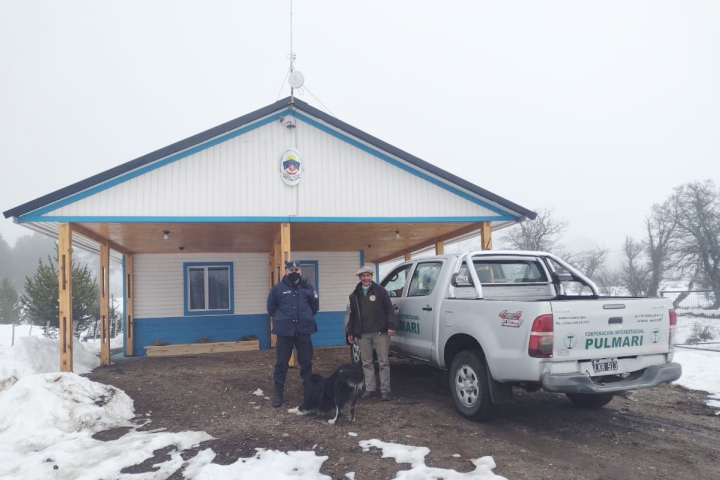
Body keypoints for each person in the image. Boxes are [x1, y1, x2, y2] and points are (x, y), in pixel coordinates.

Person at [267, 260, 320, 408]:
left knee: (306, 363)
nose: (294, 272)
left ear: (300, 271)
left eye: (296, 270)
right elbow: (271, 308)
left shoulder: (308, 288)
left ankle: (309, 393)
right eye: (291, 270)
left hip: (303, 330)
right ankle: (278, 393)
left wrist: (305, 317)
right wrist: (281, 319)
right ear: (286, 271)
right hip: (285, 332)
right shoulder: (277, 288)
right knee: (281, 363)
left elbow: (315, 307)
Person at [346, 265, 395, 401]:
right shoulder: (354, 295)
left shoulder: (381, 291)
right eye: (363, 276)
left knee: (383, 362)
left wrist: (390, 326)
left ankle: (385, 391)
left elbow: (389, 310)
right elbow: (353, 315)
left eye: (368, 275)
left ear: (371, 276)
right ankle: (370, 389)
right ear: (359, 278)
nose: (365, 278)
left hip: (380, 332)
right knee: (366, 362)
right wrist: (350, 332)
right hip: (363, 334)